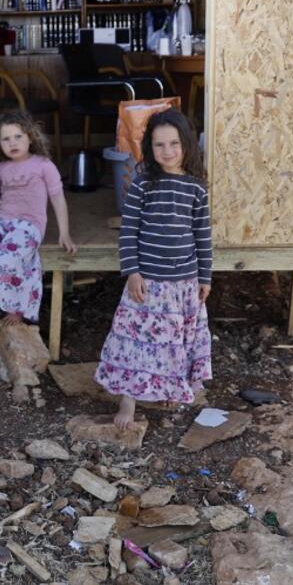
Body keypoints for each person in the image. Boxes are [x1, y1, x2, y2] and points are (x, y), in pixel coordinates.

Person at [95, 109, 212, 428]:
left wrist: (206, 277)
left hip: (183, 284)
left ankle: (170, 389)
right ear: (150, 147)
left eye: (174, 143)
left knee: (174, 343)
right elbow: (129, 229)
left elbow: (202, 234)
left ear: (187, 143)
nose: (168, 151)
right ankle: (129, 403)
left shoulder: (196, 187)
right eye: (159, 145)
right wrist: (132, 271)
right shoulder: (144, 182)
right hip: (147, 283)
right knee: (136, 343)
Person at [0, 110, 77, 324]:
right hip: (1, 221)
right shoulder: (1, 168)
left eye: (18, 136)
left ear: (30, 137)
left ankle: (14, 310)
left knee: (6, 258)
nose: (13, 143)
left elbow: (57, 198)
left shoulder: (43, 165)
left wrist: (65, 233)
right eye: (6, 139)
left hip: (29, 226)